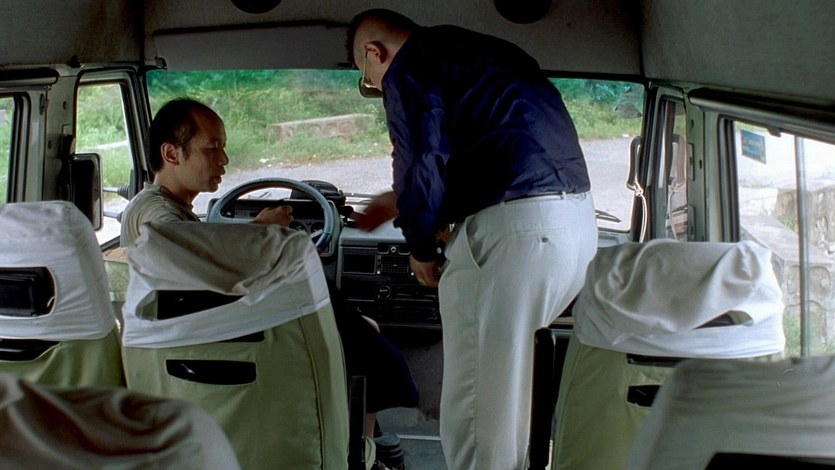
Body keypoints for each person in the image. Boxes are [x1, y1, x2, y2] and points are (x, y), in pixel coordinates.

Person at [347, 9, 598, 470]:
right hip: (573, 228)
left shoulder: (410, 66)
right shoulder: (483, 53)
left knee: (478, 406)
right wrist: (410, 204)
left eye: (370, 81)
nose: (379, 89)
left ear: (372, 53)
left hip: (515, 235)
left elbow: (421, 162)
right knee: (514, 393)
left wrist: (422, 249)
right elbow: (487, 152)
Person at [120, 97, 417, 470]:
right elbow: (182, 252)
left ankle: (362, 443)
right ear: (171, 154)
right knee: (364, 343)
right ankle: (358, 452)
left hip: (200, 344)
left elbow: (202, 259)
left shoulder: (159, 210)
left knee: (361, 335)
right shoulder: (156, 217)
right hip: (223, 343)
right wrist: (263, 233)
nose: (225, 159)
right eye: (213, 148)